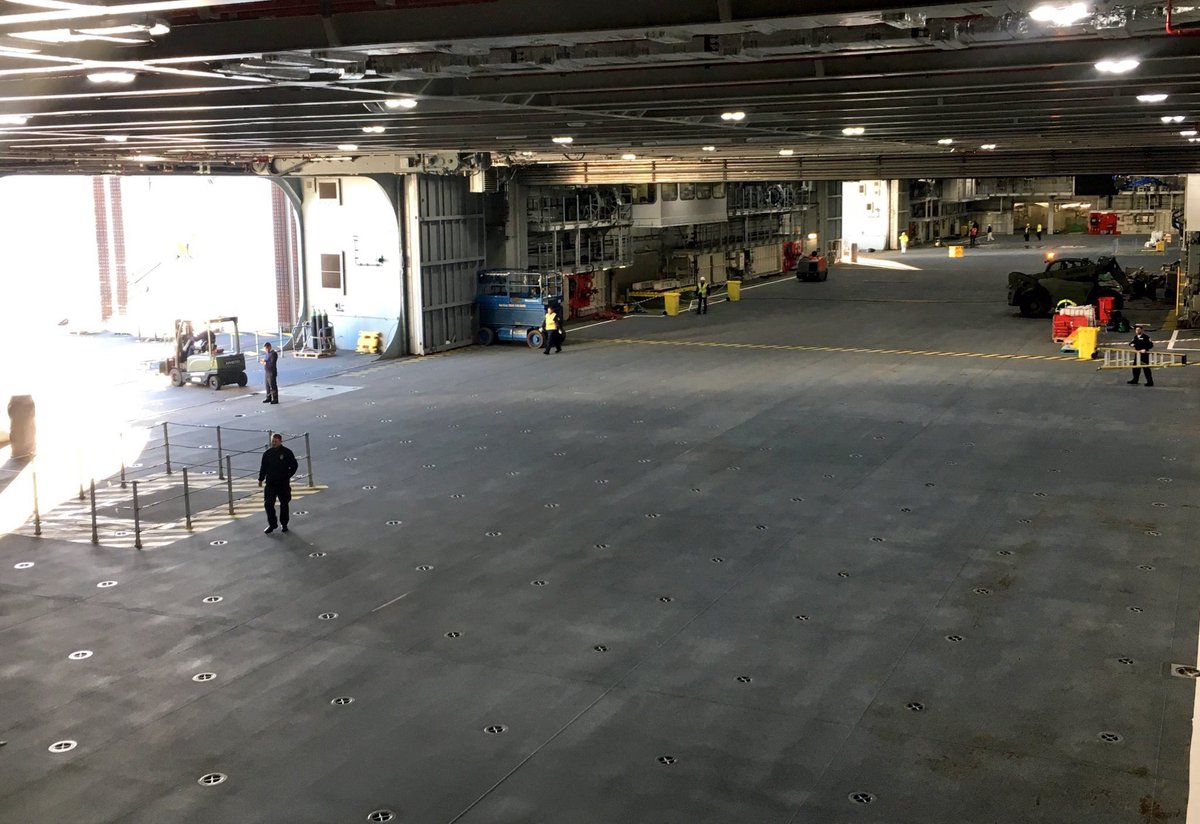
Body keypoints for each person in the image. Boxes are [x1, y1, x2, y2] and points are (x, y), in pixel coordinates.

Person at [258, 433, 298, 534]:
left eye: (275, 441)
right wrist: (260, 479)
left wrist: (287, 475)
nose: (273, 443)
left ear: (280, 441)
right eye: (272, 441)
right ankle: (272, 524)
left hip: (283, 483)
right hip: (271, 483)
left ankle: (284, 524)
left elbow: (294, 466)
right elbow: (263, 467)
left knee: (284, 503)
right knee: (268, 504)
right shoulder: (267, 454)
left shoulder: (287, 452)